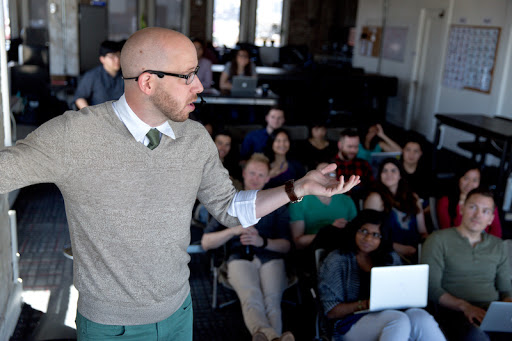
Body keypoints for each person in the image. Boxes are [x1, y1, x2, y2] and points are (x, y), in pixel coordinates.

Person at [0, 27, 360, 341]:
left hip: (180, 311)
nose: (200, 85)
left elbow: (231, 209)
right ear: (147, 81)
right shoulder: (74, 135)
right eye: (188, 75)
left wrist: (298, 189)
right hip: (111, 326)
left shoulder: (194, 139)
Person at [201, 154, 295, 341]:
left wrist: (263, 242)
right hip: (238, 258)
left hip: (271, 256)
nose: (255, 178)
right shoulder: (228, 201)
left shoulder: (278, 204)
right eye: (252, 173)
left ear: (268, 178)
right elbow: (206, 242)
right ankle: (275, 337)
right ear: (243, 173)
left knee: (272, 301)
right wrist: (234, 230)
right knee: (251, 298)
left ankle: (265, 337)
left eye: (261, 175)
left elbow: (286, 246)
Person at [318, 210, 446, 341]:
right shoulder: (337, 260)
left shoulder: (390, 257)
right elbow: (331, 312)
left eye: (375, 235)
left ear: (382, 237)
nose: (368, 238)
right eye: (363, 231)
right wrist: (367, 304)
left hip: (390, 314)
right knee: (397, 320)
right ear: (354, 230)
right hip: (348, 323)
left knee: (420, 316)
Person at [421, 188, 512, 341]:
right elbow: (431, 288)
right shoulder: (438, 240)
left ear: (491, 218)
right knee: (476, 335)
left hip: (491, 313)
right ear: (462, 209)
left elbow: (506, 290)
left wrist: (506, 312)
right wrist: (465, 307)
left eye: (485, 211)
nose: (478, 215)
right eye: (473, 207)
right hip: (454, 313)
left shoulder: (498, 246)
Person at [364, 158, 428, 262]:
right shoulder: (375, 198)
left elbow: (422, 231)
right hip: (387, 251)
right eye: (385, 171)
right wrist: (402, 249)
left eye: (393, 170)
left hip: (416, 250)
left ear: (400, 175)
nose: (389, 174)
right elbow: (370, 235)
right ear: (380, 175)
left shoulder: (413, 197)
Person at [289, 162, 357, 251]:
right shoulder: (299, 201)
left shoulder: (346, 200)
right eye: (323, 174)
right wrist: (329, 231)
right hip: (312, 251)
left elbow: (356, 234)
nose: (327, 178)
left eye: (332, 174)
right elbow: (298, 242)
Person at [437, 165, 502, 237]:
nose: (469, 184)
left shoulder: (487, 202)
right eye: (466, 178)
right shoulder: (445, 202)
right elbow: (449, 233)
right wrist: (462, 203)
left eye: (475, 180)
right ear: (459, 179)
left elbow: (496, 231)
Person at [74, 40, 124, 109]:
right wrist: (91, 116)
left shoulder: (126, 75)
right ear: (102, 59)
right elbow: (79, 98)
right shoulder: (92, 76)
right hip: (99, 116)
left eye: (118, 55)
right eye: (112, 57)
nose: (117, 59)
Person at [331, 128, 375, 200]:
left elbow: (371, 188)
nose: (353, 150)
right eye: (350, 146)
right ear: (340, 145)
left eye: (356, 147)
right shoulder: (330, 164)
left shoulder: (364, 164)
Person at [400, 137, 431, 203]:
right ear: (403, 151)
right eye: (408, 150)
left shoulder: (427, 173)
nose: (411, 154)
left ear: (421, 153)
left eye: (416, 151)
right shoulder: (394, 170)